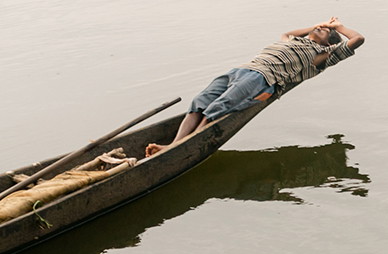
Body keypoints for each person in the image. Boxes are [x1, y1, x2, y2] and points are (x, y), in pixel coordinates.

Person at [145, 17, 365, 157]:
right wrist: (319, 25)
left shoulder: (321, 55)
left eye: (325, 31)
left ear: (328, 42)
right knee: (198, 104)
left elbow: (357, 39)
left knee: (219, 106)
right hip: (240, 70)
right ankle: (175, 143)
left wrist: (338, 27)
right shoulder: (290, 41)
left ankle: (176, 148)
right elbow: (289, 32)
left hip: (263, 79)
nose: (320, 28)